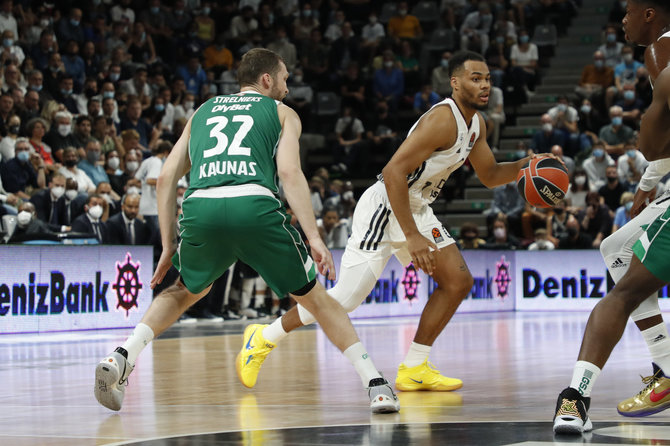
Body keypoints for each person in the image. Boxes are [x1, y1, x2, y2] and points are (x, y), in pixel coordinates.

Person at [93, 48, 400, 414]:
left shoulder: (202, 111)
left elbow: (164, 180)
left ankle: (123, 353)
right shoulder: (282, 112)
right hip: (253, 205)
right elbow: (288, 173)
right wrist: (315, 236)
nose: (287, 87)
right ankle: (376, 384)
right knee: (316, 298)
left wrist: (167, 244)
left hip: (200, 206)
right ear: (267, 79)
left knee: (183, 291)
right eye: (285, 79)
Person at [245, 51, 544, 393]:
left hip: (416, 205)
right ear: (455, 82)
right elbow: (392, 173)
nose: (485, 85)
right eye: (476, 78)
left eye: (488, 78)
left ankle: (415, 366)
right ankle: (264, 336)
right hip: (386, 205)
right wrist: (414, 237)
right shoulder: (442, 120)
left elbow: (489, 175)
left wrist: (528, 165)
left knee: (458, 282)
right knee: (344, 300)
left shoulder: (476, 124)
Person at [553, 0, 670, 434]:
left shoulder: (659, 49)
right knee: (616, 247)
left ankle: (575, 398)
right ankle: (665, 366)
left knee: (619, 296)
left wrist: (648, 168)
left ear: (649, 14)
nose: (621, 20)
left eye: (628, 11)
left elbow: (658, 135)